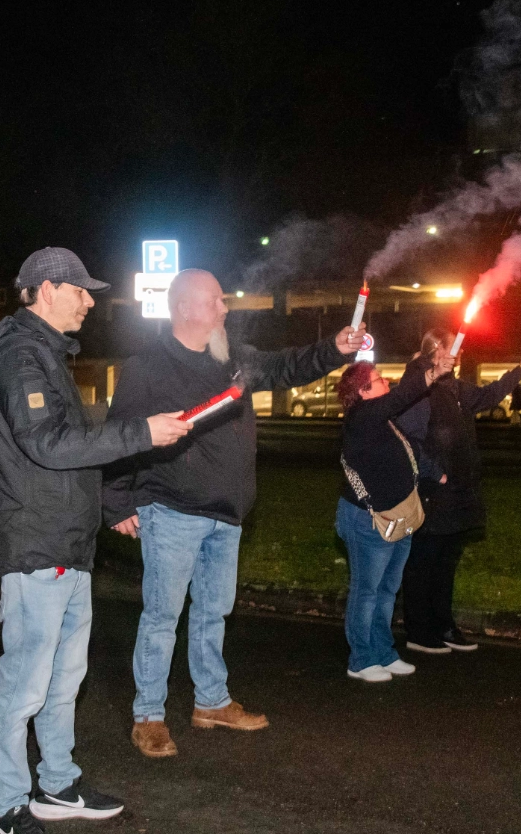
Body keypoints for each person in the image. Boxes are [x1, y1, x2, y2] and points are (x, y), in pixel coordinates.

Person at [103, 269, 366, 758]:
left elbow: (290, 366)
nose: (226, 309)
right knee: (163, 616)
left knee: (213, 613)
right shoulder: (147, 368)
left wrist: (335, 348)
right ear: (184, 308)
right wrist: (116, 501)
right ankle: (149, 715)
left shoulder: (236, 359)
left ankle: (211, 702)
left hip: (228, 514)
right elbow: (121, 436)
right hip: (172, 510)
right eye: (216, 301)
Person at [0, 247, 193, 834]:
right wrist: (141, 432)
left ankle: (57, 784)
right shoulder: (21, 357)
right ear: (47, 289)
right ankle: (7, 807)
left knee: (64, 680)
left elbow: (65, 446)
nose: (90, 302)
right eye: (80, 291)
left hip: (67, 546)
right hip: (37, 547)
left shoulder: (42, 354)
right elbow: (50, 445)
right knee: (25, 684)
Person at [399, 332, 521, 655]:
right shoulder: (419, 387)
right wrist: (436, 472)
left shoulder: (455, 388)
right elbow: (410, 438)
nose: (457, 355)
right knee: (424, 560)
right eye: (450, 349)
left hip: (458, 492)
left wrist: (520, 369)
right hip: (434, 492)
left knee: (447, 560)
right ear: (435, 354)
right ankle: (419, 630)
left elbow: (489, 395)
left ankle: (443, 624)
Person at [334, 355, 448, 682]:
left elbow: (408, 450)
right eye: (380, 379)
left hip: (399, 516)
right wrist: (431, 373)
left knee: (387, 588)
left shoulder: (383, 421)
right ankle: (361, 659)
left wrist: (434, 474)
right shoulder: (362, 418)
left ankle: (384, 652)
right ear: (364, 391)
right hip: (369, 520)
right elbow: (402, 396)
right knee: (367, 590)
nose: (388, 382)